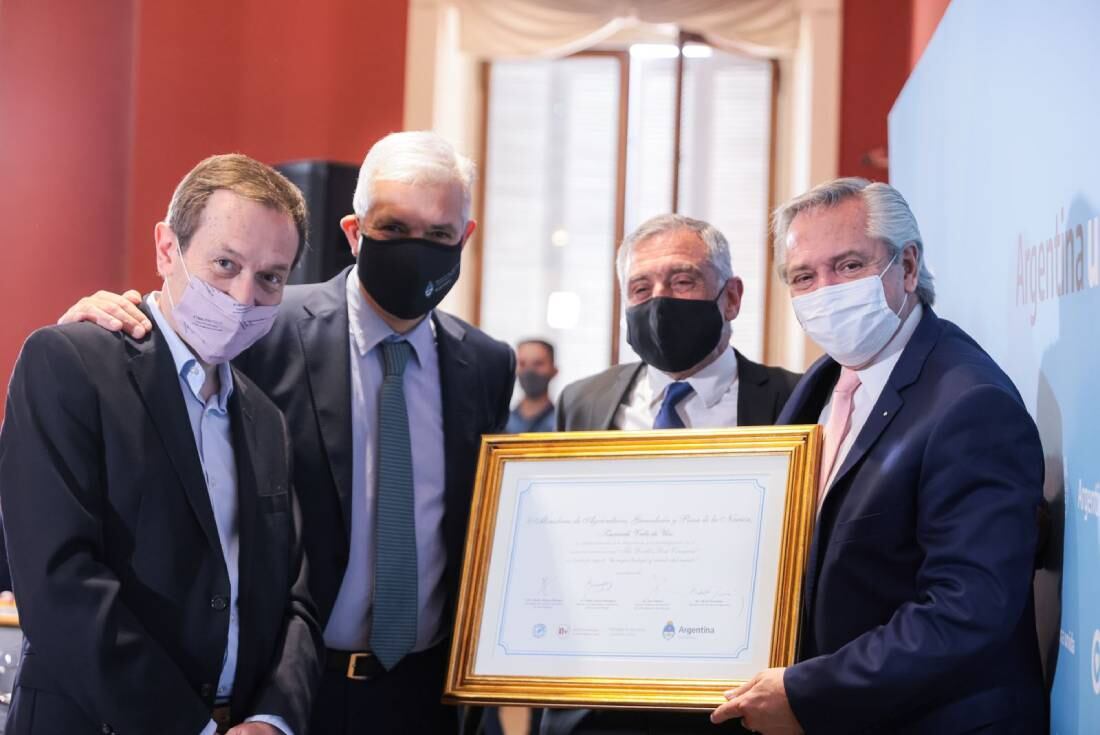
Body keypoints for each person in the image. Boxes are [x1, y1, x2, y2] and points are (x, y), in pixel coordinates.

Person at [58, 132, 516, 734]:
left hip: (427, 696)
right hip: (284, 692)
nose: (417, 248)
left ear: (465, 236)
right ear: (354, 232)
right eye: (394, 227)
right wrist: (105, 323)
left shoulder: (486, 364)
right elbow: (165, 364)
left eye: (437, 234)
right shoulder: (259, 324)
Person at [0, 154, 323, 735]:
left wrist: (273, 717)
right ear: (167, 249)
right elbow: (60, 584)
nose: (244, 296)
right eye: (225, 264)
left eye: (271, 277)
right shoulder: (71, 363)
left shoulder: (264, 417)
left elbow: (293, 594)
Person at [711, 178, 1046, 734]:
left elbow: (965, 610)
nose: (825, 290)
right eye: (803, 277)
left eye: (847, 266)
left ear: (908, 267)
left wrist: (804, 691)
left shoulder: (971, 404)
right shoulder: (823, 384)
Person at [542, 213, 800, 735]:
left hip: (732, 703)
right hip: (597, 705)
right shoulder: (583, 401)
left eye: (683, 280)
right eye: (641, 287)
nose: (659, 300)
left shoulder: (795, 401)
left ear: (730, 298)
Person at [505, 339, 558, 433]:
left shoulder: (561, 425)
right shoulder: (503, 423)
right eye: (522, 364)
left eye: (538, 363)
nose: (529, 371)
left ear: (554, 370)